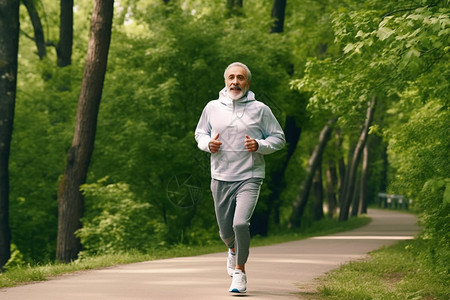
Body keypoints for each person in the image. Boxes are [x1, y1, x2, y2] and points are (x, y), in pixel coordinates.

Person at [195, 62, 285, 293]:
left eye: (240, 78)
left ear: (248, 82)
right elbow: (200, 133)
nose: (235, 82)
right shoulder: (212, 107)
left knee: (240, 224)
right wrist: (208, 144)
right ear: (225, 81)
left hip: (250, 176)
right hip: (221, 176)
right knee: (226, 232)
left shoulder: (260, 109)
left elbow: (279, 138)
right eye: (231, 78)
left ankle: (240, 272)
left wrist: (260, 144)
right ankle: (233, 250)